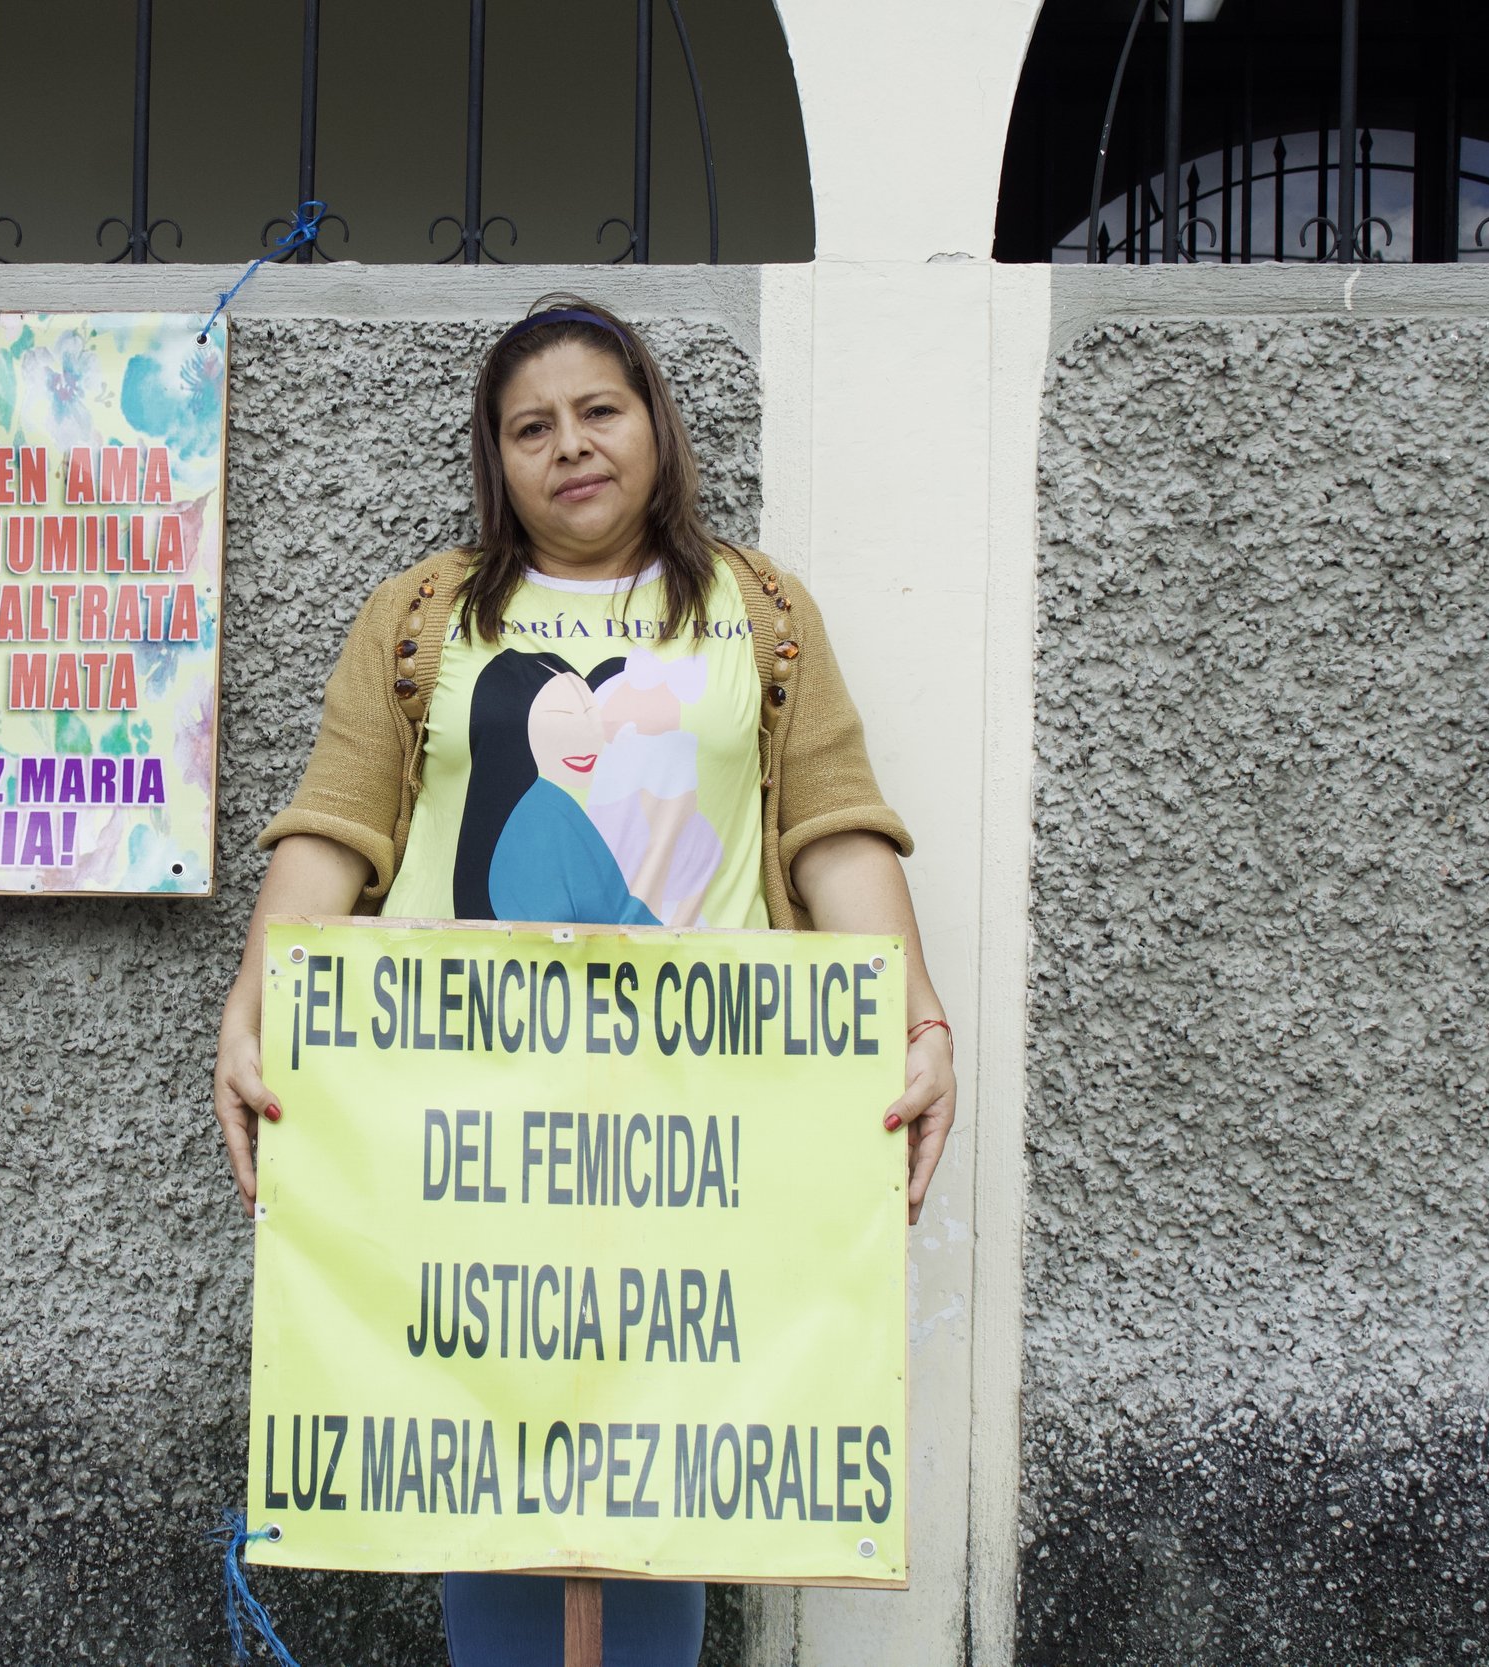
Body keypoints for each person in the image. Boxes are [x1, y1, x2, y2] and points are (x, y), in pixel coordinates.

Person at [212, 296, 958, 1667]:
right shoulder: (422, 615)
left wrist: (917, 1020)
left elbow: (833, 826)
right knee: (475, 1448)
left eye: (598, 410)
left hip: (693, 1123)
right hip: (461, 1124)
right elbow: (337, 824)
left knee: (668, 1459)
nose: (569, 445)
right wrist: (252, 1011)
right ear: (495, 459)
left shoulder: (760, 613)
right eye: (530, 427)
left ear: (654, 424)